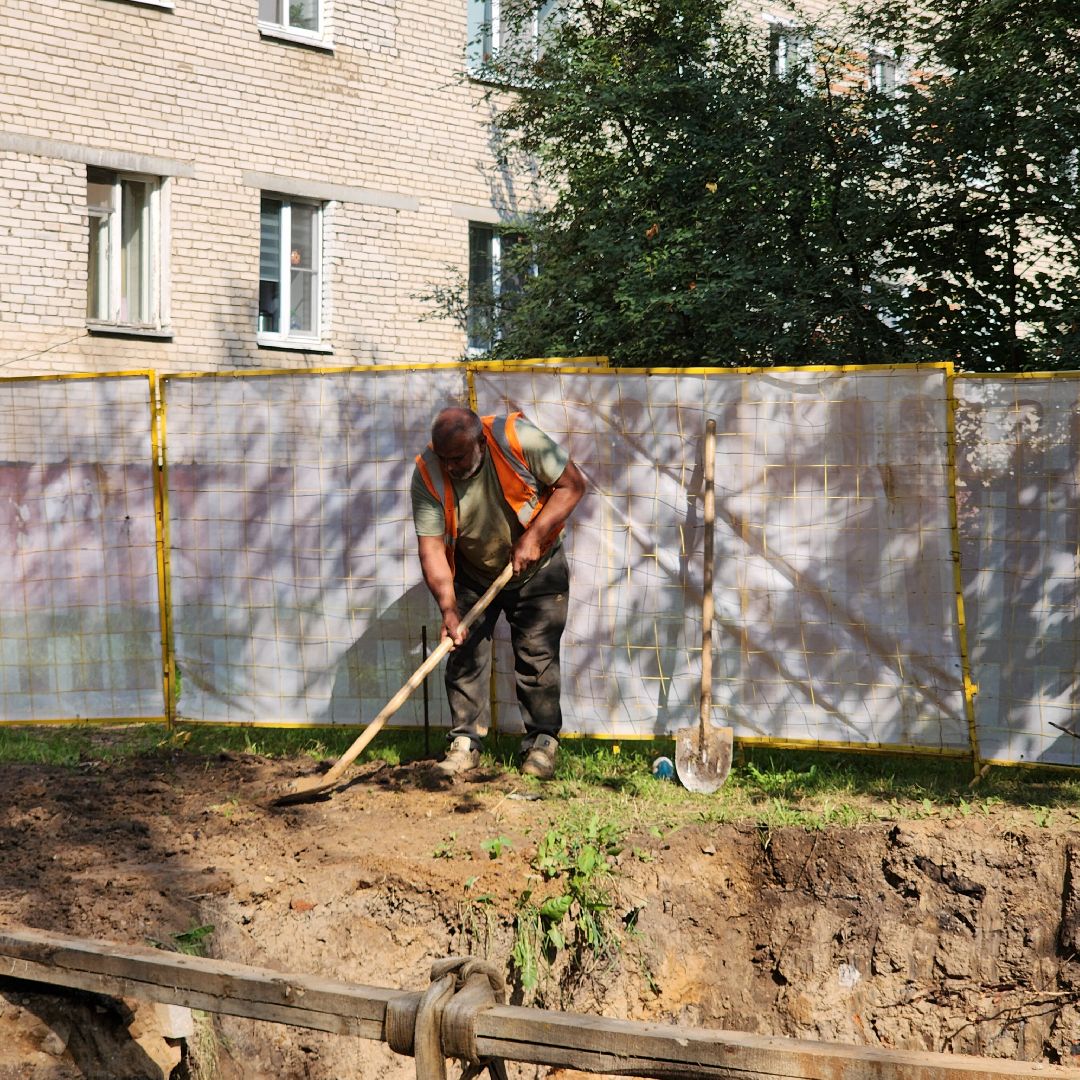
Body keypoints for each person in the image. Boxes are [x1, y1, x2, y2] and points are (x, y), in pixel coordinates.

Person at [411, 406, 586, 779]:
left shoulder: (516, 438)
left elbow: (573, 485)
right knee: (464, 654)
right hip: (473, 572)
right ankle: (464, 743)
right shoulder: (427, 471)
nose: (451, 467)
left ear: (480, 442)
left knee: (536, 656)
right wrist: (448, 609)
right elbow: (430, 548)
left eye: (458, 457)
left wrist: (534, 537)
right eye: (444, 459)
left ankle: (542, 742)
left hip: (539, 569)